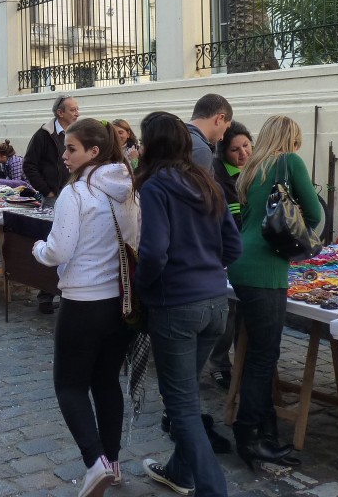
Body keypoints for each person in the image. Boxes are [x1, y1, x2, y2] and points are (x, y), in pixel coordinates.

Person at [134, 112, 241, 497]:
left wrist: (143, 289)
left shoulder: (156, 187)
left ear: (152, 145)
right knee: (185, 397)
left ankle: (214, 490)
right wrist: (206, 270)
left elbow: (154, 253)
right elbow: (233, 246)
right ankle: (181, 472)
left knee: (180, 407)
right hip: (215, 302)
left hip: (176, 306)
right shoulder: (206, 182)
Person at [32, 118, 139, 496]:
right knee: (106, 380)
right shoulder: (127, 188)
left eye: (71, 148)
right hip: (120, 303)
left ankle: (95, 462)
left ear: (93, 151)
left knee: (70, 385)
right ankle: (113, 462)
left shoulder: (76, 193)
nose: (64, 155)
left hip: (83, 301)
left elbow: (58, 249)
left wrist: (38, 249)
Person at [227, 115, 322, 469]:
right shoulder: (289, 162)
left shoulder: (251, 167)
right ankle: (248, 435)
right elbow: (315, 214)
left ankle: (265, 432)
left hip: (241, 262)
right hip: (266, 268)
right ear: (291, 140)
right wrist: (294, 238)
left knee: (255, 352)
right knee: (263, 356)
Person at [207, 121, 254, 389]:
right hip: (226, 251)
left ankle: (244, 363)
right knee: (228, 311)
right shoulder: (218, 177)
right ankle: (219, 364)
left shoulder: (257, 172)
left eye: (246, 146)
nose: (243, 154)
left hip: (252, 253)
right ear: (223, 152)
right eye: (235, 149)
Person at [23, 94, 80, 314]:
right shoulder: (44, 135)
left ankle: (67, 292)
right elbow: (29, 165)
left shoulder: (79, 133)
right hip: (53, 196)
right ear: (60, 113)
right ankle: (45, 295)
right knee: (54, 241)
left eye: (77, 109)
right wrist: (47, 190)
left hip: (75, 193)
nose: (77, 113)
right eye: (73, 109)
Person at [186, 94, 233, 169]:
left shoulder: (170, 135)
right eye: (226, 128)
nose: (222, 137)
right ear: (220, 118)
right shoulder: (201, 150)